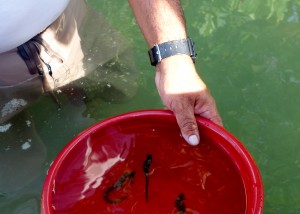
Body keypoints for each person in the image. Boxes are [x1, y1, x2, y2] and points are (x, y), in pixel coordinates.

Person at [0, 0, 222, 146]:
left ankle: (75, 102)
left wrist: (174, 60)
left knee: (119, 90)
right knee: (22, 168)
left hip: (70, 23)